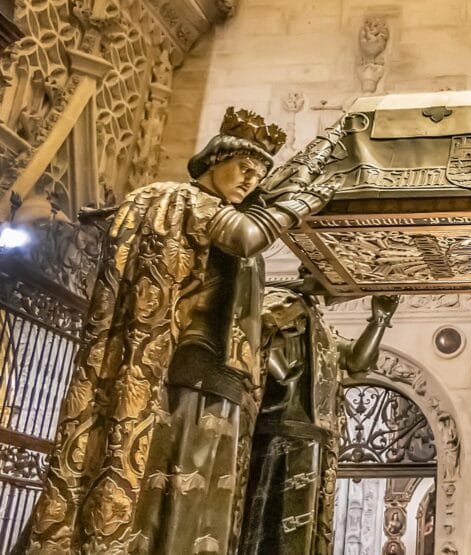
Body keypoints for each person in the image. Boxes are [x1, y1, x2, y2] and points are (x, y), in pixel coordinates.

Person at [18, 107, 346, 555]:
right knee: (164, 488)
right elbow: (246, 235)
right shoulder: (181, 200)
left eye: (257, 174)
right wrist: (306, 200)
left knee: (205, 501)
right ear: (214, 161)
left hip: (221, 378)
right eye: (244, 168)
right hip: (176, 372)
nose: (249, 180)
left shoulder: (219, 212)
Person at [239, 286, 399, 554]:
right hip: (283, 427)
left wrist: (380, 319)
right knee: (271, 517)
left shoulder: (318, 323)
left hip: (315, 434)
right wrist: (284, 372)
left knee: (308, 523)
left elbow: (358, 361)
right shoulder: (285, 301)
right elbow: (258, 331)